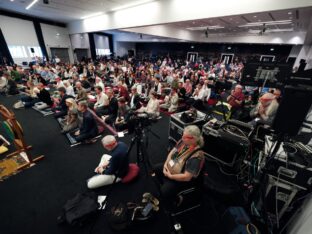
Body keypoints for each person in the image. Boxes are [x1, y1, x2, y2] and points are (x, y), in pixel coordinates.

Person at [153, 125, 205, 210]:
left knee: (164, 192)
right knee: (156, 168)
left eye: (185, 136)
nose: (182, 137)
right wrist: (166, 164)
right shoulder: (183, 141)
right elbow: (172, 152)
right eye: (183, 135)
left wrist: (170, 176)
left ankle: (177, 200)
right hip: (174, 168)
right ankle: (167, 186)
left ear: (193, 139)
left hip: (182, 179)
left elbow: (187, 177)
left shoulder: (196, 156)